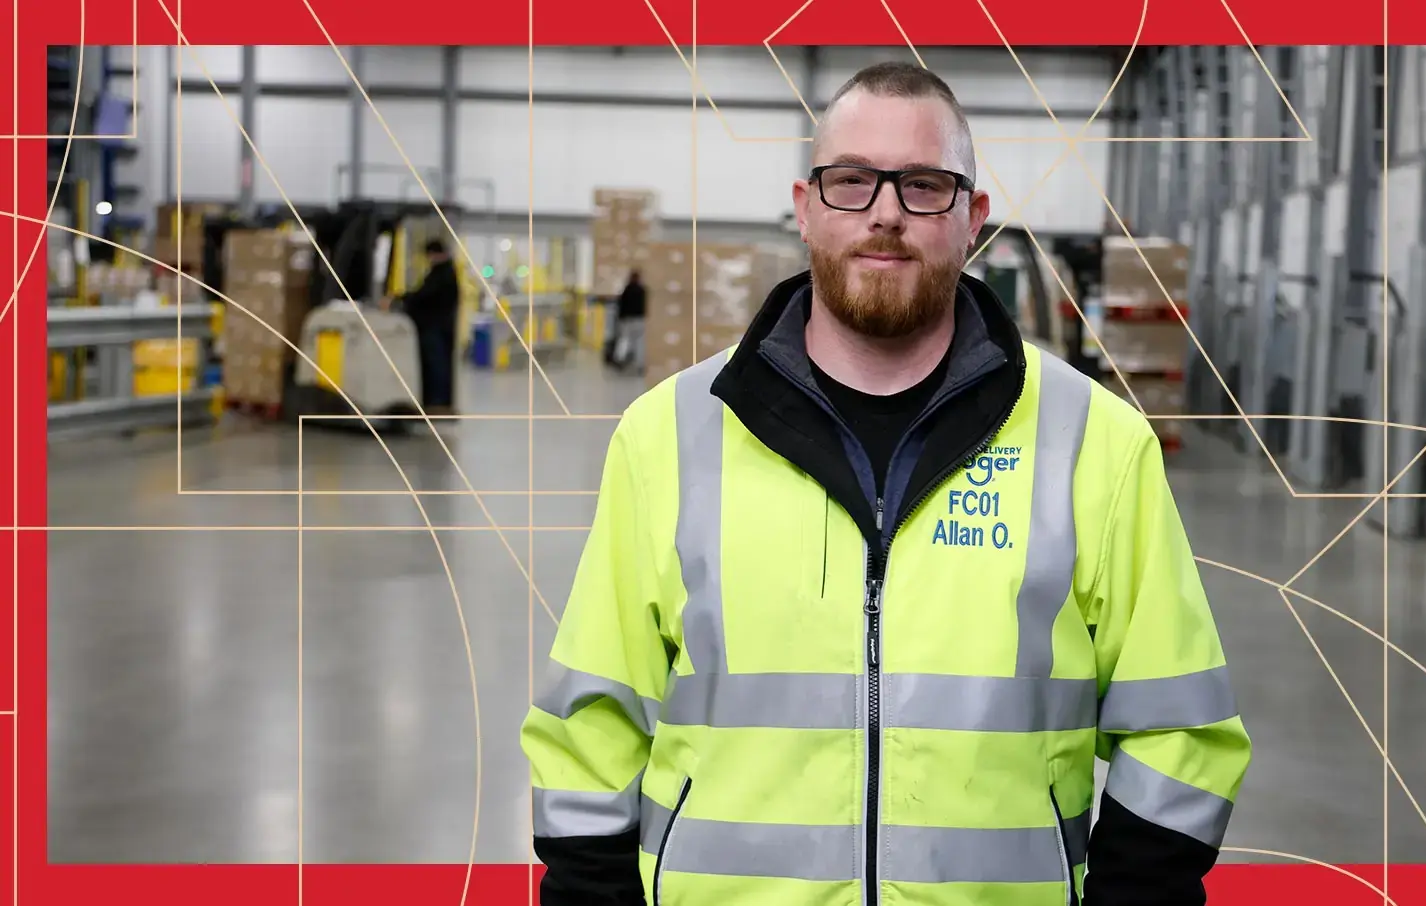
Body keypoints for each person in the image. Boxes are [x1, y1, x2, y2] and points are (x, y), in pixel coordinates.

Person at [521, 61, 1251, 906]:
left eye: (925, 186)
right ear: (805, 206)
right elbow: (591, 724)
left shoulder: (1098, 445)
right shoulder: (667, 436)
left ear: (973, 217)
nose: (886, 214)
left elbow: (1180, 729)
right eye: (853, 182)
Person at [382, 238, 460, 416]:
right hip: (438, 327)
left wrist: (399, 299)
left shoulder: (443, 273)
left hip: (435, 328)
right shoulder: (444, 271)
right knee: (437, 365)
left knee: (436, 365)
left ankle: (438, 403)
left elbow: (425, 295)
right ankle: (437, 402)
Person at [608, 270, 647, 372]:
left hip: (627, 320)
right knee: (639, 342)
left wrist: (620, 319)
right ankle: (640, 364)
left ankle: (619, 359)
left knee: (625, 339)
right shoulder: (642, 290)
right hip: (639, 319)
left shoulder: (627, 289)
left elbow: (621, 305)